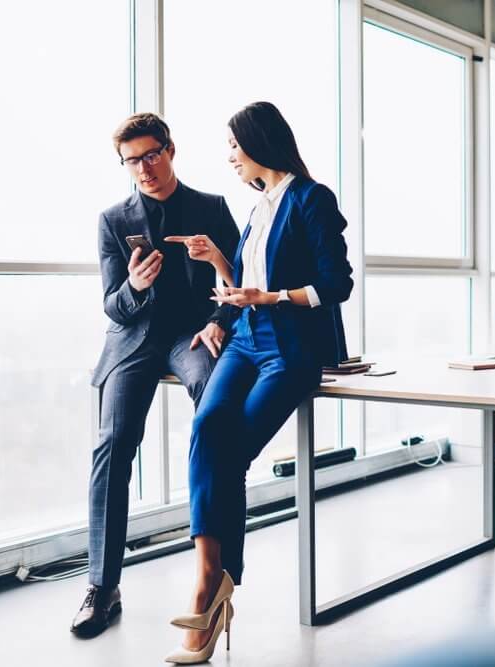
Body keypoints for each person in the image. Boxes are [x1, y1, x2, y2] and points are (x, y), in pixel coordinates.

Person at [162, 101, 353, 664]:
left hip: (289, 347)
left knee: (230, 451)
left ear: (257, 143)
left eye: (232, 146)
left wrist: (269, 298)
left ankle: (213, 589)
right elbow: (245, 282)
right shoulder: (259, 207)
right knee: (206, 431)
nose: (228, 157)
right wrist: (221, 266)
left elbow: (335, 284)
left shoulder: (310, 199)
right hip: (245, 337)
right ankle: (209, 578)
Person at [71, 113, 241, 638]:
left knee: (214, 421)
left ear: (170, 150)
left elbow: (240, 282)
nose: (142, 168)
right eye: (131, 161)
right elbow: (113, 308)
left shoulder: (211, 208)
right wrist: (135, 287)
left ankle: (216, 576)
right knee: (112, 444)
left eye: (150, 155)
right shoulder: (111, 220)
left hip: (192, 335)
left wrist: (217, 322)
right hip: (134, 342)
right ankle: (103, 586)